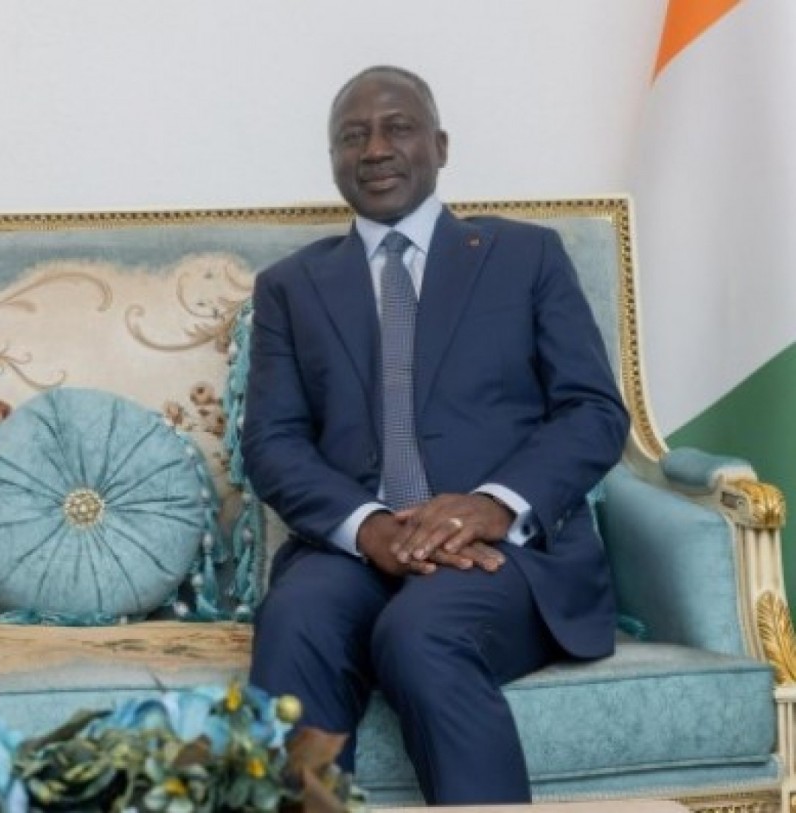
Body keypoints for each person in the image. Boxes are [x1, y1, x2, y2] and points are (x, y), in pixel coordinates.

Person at [244, 66, 629, 805]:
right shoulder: (291, 287)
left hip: (506, 554)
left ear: (440, 146)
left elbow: (592, 411)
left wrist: (492, 503)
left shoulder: (527, 257)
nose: (376, 148)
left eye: (398, 127)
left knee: (420, 632)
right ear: (332, 161)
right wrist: (371, 528)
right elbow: (275, 441)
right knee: (295, 620)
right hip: (355, 548)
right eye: (352, 136)